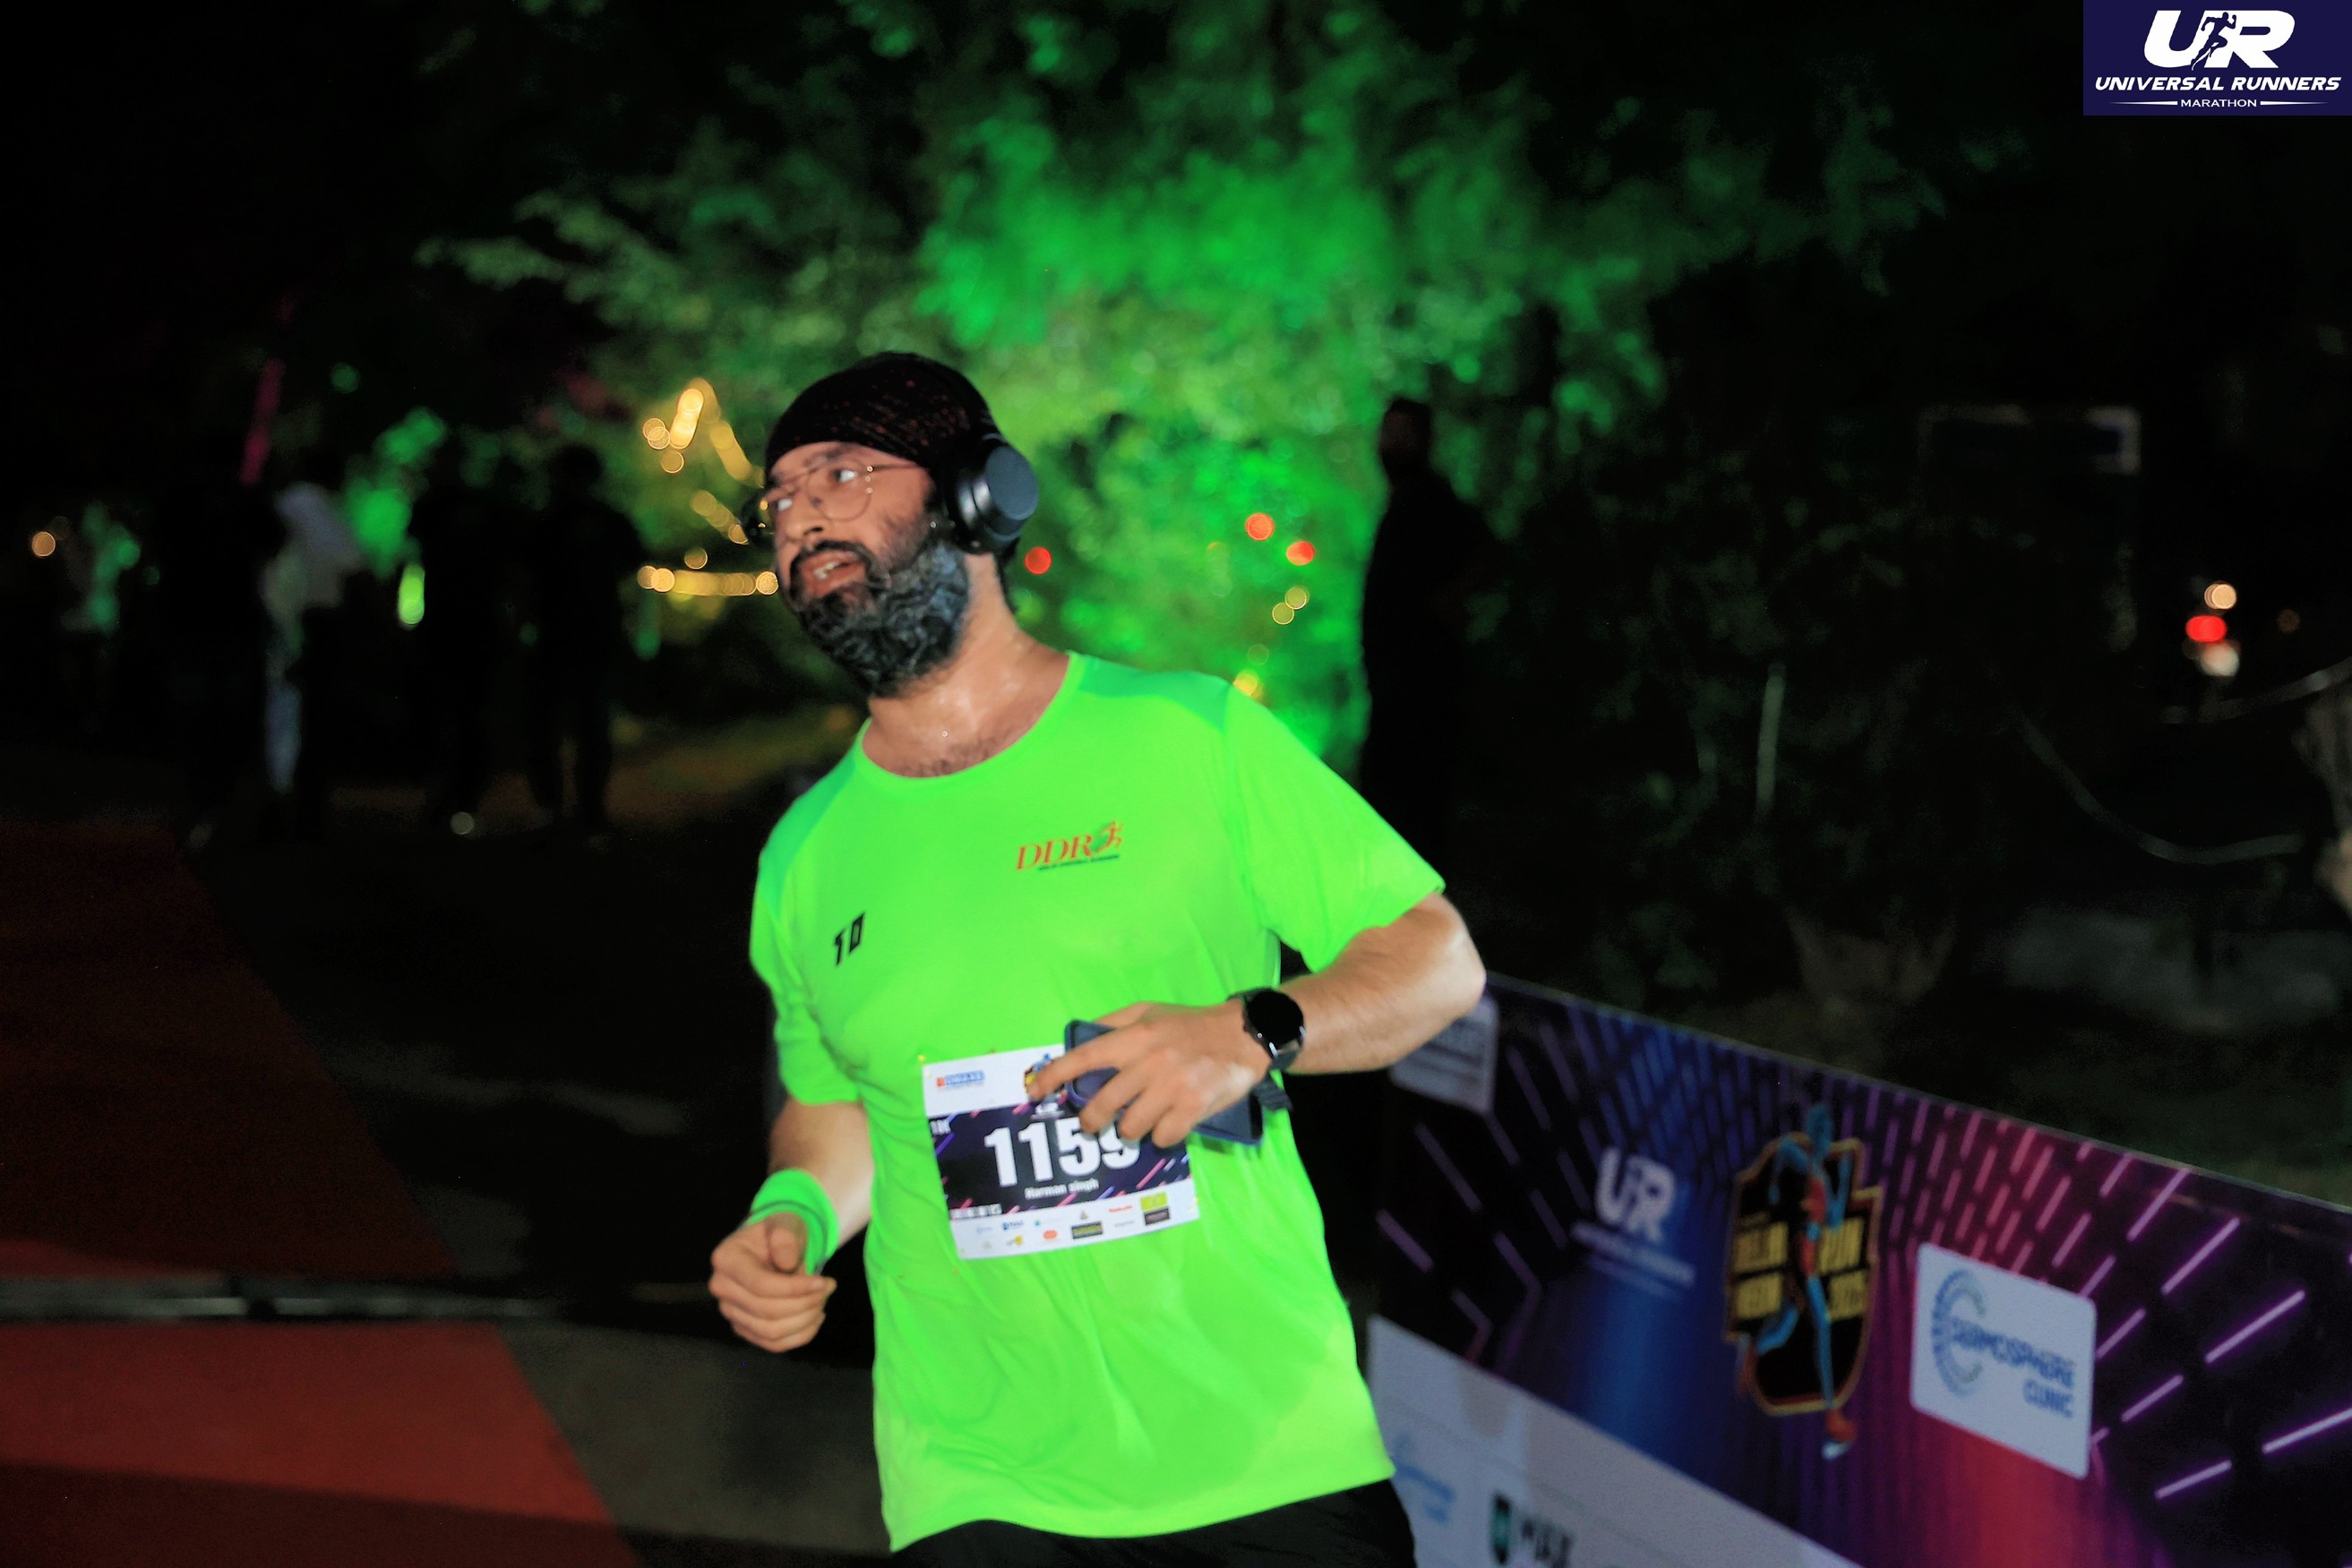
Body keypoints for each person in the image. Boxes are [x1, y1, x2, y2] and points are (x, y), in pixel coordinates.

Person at [707, 354, 1487, 1564]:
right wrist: (792, 1212)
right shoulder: (805, 853)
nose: (803, 513)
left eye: (843, 473)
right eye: (783, 498)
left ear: (978, 496)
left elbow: (1436, 959)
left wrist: (1251, 1029)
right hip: (977, 1475)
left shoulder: (1187, 735)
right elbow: (836, 1103)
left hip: (1263, 1448)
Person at [1355, 398, 1494, 875]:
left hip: (1419, 686)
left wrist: (1446, 605)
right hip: (1397, 685)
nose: (1392, 444)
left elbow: (1489, 554)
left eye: (1403, 434)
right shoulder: (1406, 502)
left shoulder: (1430, 501)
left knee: (1412, 804)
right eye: (1387, 432)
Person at [524, 444, 640, 834]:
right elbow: (633, 575)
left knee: (566, 725)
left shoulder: (549, 521)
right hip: (583, 635)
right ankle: (579, 810)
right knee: (584, 725)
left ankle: (562, 809)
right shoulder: (598, 521)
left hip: (567, 636)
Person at [408, 444, 511, 833]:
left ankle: (456, 801)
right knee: (458, 717)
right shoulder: (458, 507)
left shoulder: (444, 507)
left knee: (458, 717)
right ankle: (455, 802)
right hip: (457, 627)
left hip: (459, 628)